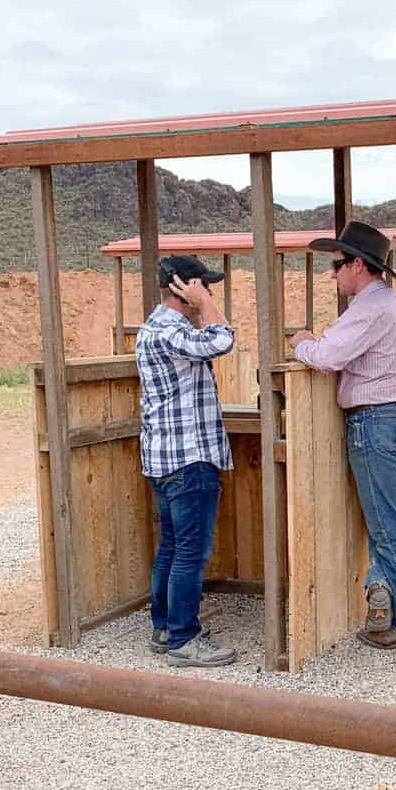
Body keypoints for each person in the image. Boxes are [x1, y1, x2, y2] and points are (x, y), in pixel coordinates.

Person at [289, 221, 396, 650]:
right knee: (387, 522)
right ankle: (382, 591)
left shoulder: (369, 309)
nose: (333, 274)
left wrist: (302, 343)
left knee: (388, 529)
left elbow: (327, 357)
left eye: (337, 265)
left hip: (376, 422)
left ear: (357, 266)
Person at [137, 254, 238, 668]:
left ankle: (166, 628)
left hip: (166, 459)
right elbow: (223, 339)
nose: (209, 292)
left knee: (173, 549)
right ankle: (183, 638)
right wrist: (206, 305)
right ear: (183, 287)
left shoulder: (153, 329)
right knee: (189, 554)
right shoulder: (171, 332)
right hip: (188, 460)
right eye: (203, 285)